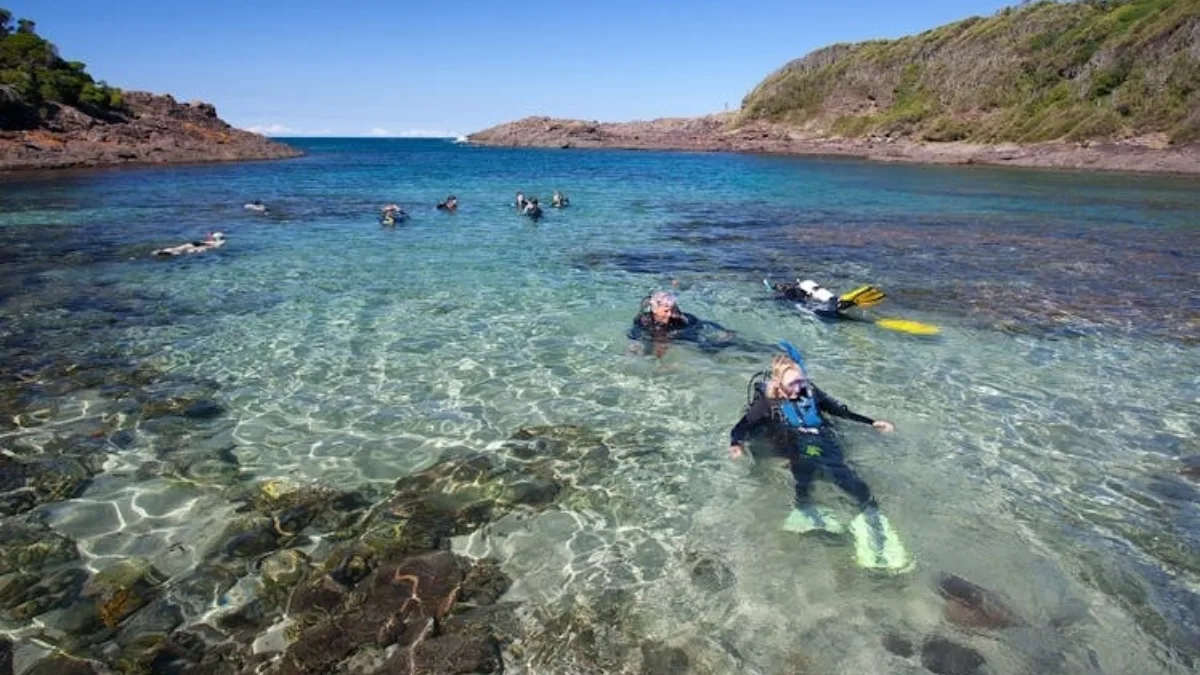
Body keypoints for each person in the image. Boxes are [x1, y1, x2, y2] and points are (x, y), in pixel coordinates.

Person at [728, 342, 910, 571]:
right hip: (796, 445)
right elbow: (742, 426)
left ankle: (870, 512)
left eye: (801, 381)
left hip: (820, 438)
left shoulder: (810, 392)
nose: (799, 388)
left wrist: (872, 422)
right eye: (792, 384)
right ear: (779, 385)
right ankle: (804, 506)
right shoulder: (767, 405)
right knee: (809, 460)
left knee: (842, 472)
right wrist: (736, 444)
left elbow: (839, 410)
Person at [627, 290, 742, 357]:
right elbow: (634, 333)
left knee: (709, 349)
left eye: (672, 310)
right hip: (655, 335)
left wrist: (722, 331)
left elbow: (703, 323)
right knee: (645, 353)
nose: (670, 314)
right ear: (654, 309)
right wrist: (635, 343)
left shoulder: (678, 318)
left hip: (681, 334)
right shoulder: (644, 320)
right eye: (666, 311)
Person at [766, 278, 885, 320]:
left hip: (813, 303)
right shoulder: (805, 284)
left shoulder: (789, 292)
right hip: (825, 298)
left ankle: (842, 304)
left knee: (807, 306)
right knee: (834, 304)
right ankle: (842, 303)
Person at [153, 232, 226, 257]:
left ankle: (164, 251)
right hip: (200, 245)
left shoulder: (216, 241)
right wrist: (206, 243)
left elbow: (211, 241)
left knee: (178, 248)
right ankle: (165, 253)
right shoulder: (220, 242)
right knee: (182, 251)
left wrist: (206, 242)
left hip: (197, 243)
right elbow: (214, 245)